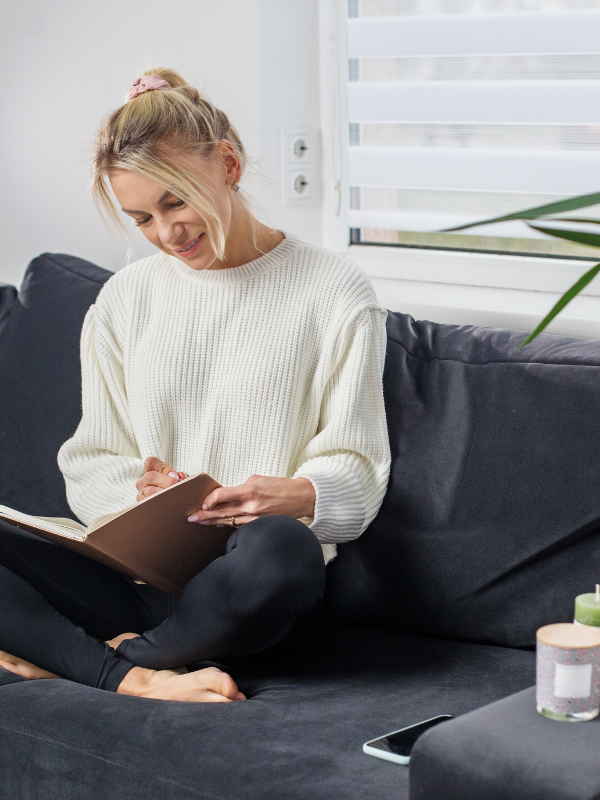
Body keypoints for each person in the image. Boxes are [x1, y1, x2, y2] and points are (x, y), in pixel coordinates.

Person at [0, 69, 391, 702]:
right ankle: (137, 677)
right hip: (133, 582)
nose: (166, 234)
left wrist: (294, 494)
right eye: (141, 218)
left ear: (229, 165)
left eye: (176, 202)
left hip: (250, 588)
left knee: (280, 546)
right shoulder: (125, 298)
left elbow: (358, 465)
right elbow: (92, 458)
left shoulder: (335, 292)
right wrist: (146, 500)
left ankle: (100, 661)